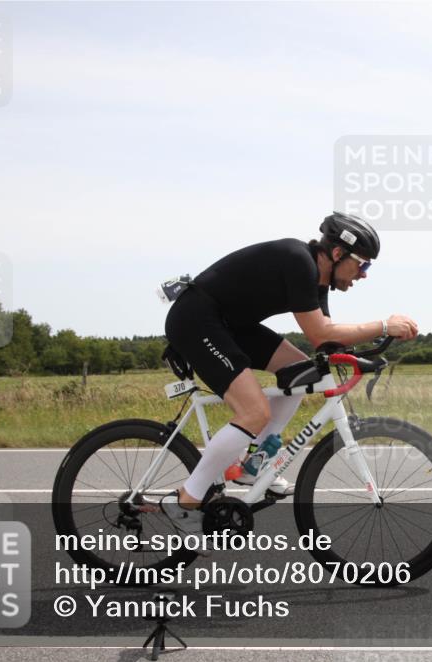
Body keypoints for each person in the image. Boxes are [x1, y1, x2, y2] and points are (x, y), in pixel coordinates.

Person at [160, 212, 418, 539]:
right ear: (338, 254)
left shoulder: (318, 282)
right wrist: (383, 325)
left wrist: (364, 356)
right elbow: (320, 333)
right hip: (197, 319)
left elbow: (327, 344)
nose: (363, 275)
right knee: (254, 411)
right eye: (363, 265)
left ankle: (252, 466)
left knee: (302, 372)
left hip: (229, 325)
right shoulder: (299, 261)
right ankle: (185, 501)